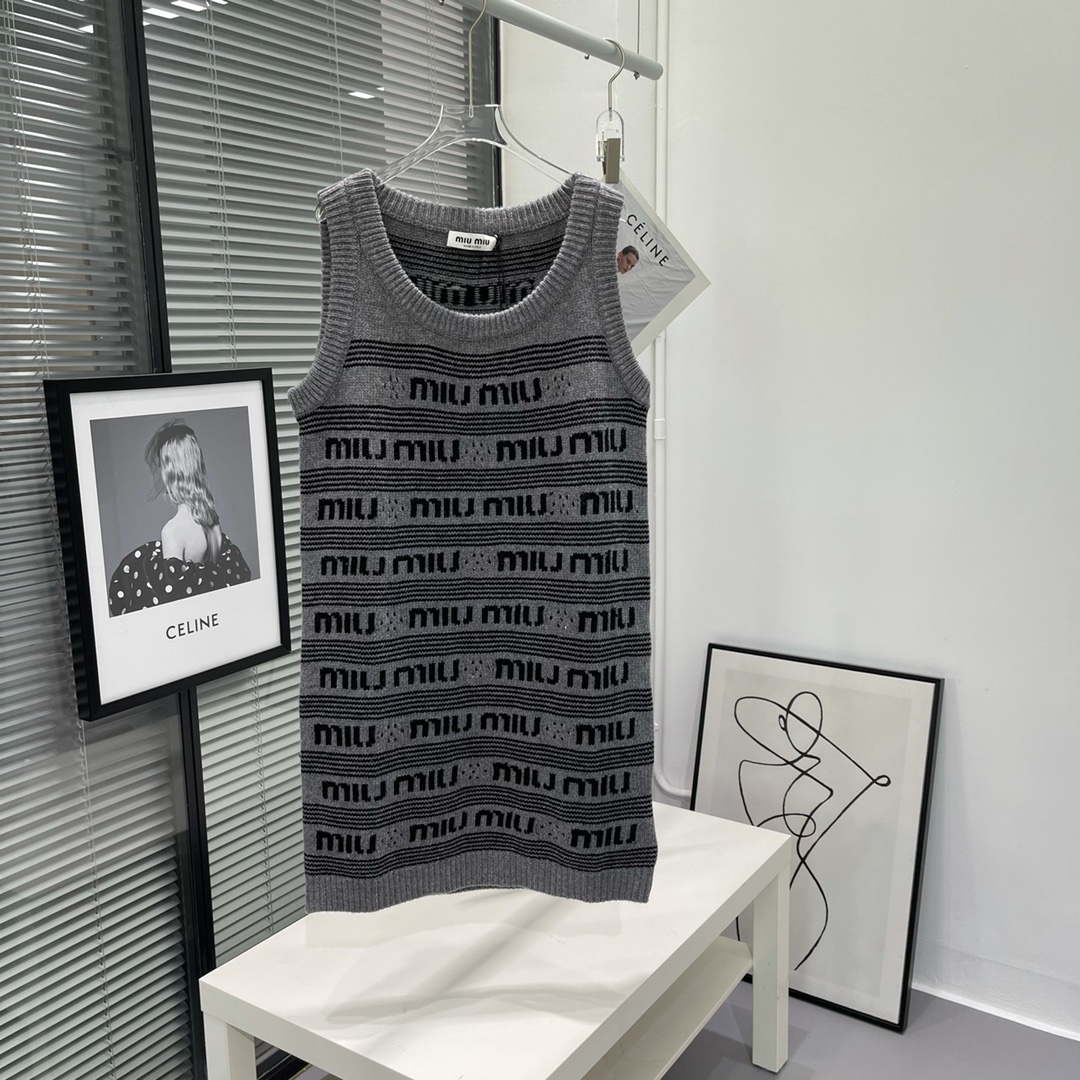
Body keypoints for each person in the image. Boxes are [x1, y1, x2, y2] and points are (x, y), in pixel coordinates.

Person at [107, 419, 251, 616]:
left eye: (161, 466)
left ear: (170, 472)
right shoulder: (213, 522)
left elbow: (173, 604)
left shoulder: (172, 531)